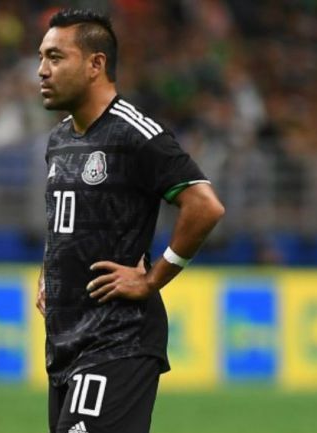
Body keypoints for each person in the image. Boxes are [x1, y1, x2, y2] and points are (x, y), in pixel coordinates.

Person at [35, 9, 225, 433]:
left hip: (118, 339)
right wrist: (47, 269)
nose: (42, 70)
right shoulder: (60, 139)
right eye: (42, 58)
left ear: (95, 64)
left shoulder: (134, 133)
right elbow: (66, 219)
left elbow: (204, 204)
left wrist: (152, 278)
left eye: (55, 57)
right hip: (65, 344)